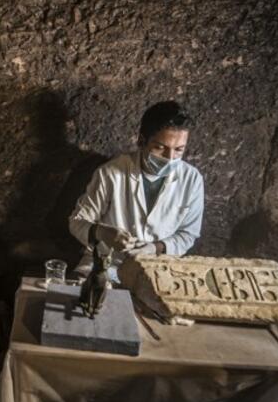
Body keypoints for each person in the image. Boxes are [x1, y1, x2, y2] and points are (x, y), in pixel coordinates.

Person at [69, 101, 204, 280]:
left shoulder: (192, 179)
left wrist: (156, 248)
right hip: (106, 265)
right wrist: (102, 232)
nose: (169, 159)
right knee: (87, 298)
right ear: (141, 141)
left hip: (156, 270)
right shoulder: (111, 173)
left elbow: (188, 234)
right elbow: (77, 222)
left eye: (179, 150)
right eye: (160, 148)